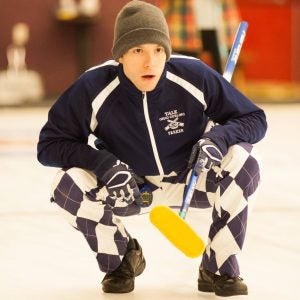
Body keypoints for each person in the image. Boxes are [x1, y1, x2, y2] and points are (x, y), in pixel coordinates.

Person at [37, 0, 267, 297]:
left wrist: (218, 139)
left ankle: (218, 266)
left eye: (158, 50)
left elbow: (254, 119)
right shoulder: (93, 88)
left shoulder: (193, 76)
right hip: (130, 187)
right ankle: (122, 257)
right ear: (120, 54)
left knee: (245, 161)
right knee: (65, 185)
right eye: (138, 51)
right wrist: (103, 164)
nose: (151, 62)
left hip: (191, 180)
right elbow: (50, 145)